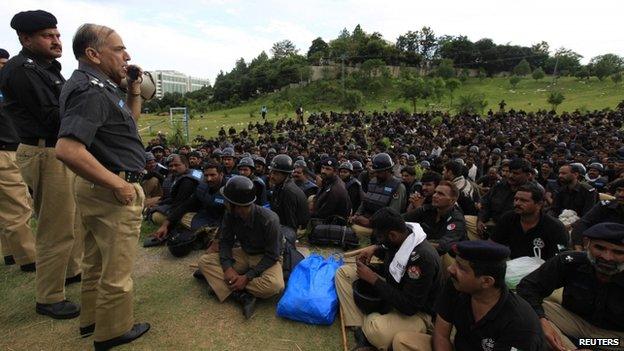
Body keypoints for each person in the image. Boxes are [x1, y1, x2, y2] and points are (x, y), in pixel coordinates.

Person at [55, 23, 150, 348]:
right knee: (117, 269)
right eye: (119, 49)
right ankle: (112, 331)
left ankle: (92, 321)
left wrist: (133, 89)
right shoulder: (91, 91)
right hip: (113, 191)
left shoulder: (96, 85)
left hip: (97, 191)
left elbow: (129, 124)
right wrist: (120, 186)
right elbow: (68, 149)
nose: (127, 56)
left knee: (95, 262)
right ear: (93, 54)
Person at [0, 10, 81, 318]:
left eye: (57, 35)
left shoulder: (46, 68)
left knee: (71, 220)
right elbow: (53, 116)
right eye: (48, 36)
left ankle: (70, 270)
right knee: (54, 227)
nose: (56, 41)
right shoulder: (23, 70)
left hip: (54, 150)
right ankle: (48, 296)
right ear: (25, 39)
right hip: (45, 150)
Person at [393, 240, 546, 351]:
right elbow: (441, 334)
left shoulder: (520, 325)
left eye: (461, 267)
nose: (451, 269)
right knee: (403, 341)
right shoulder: (456, 286)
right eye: (455, 263)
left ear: (486, 281)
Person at [335, 208, 443, 351]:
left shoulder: (422, 259)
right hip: (394, 293)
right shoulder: (402, 237)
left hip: (418, 313)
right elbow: (393, 265)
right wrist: (375, 251)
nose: (379, 242)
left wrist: (373, 279)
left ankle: (370, 326)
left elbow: (409, 306)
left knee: (378, 332)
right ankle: (360, 326)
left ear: (392, 235)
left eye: (380, 238)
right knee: (344, 273)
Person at [517, 223, 624, 351]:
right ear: (587, 244)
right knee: (525, 309)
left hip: (615, 337)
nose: (607, 257)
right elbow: (527, 287)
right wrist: (541, 320)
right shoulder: (570, 262)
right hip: (574, 322)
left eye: (618, 252)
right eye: (599, 248)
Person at [196, 176, 285, 319]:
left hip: (265, 257)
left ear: (235, 204)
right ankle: (242, 295)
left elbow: (273, 255)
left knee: (275, 285)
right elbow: (225, 241)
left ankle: (227, 285)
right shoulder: (230, 213)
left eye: (226, 200)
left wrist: (247, 277)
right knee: (204, 262)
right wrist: (228, 267)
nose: (224, 202)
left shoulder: (270, 219)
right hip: (244, 253)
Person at [0, 46, 36, 272]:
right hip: (5, 151)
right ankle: (29, 258)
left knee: (5, 207)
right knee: (18, 207)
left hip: (10, 148)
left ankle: (11, 252)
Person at [149, 161, 226, 247]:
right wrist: (165, 225)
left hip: (223, 223)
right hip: (204, 219)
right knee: (174, 219)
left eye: (212, 175)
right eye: (206, 175)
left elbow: (233, 217)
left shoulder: (230, 189)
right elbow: (186, 206)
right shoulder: (202, 187)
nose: (209, 179)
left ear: (221, 174)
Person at [491, 183, 568, 260]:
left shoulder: (554, 227)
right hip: (512, 266)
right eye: (516, 199)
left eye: (523, 201)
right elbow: (493, 245)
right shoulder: (508, 219)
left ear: (539, 205)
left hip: (543, 269)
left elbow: (559, 259)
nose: (517, 203)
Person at [403, 181, 467, 255]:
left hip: (449, 257)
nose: (435, 196)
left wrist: (412, 243)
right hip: (423, 250)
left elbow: (443, 246)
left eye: (440, 194)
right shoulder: (427, 209)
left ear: (452, 200)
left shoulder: (456, 220)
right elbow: (402, 220)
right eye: (435, 192)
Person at [352, 153, 407, 237]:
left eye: (379, 172)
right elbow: (365, 201)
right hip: (366, 222)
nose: (376, 174)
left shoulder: (398, 187)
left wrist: (370, 222)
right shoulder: (373, 181)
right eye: (376, 171)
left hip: (383, 230)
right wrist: (357, 215)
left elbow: (392, 214)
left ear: (388, 171)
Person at [478, 158, 533, 237]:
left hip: (514, 232)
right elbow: (486, 204)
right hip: (491, 223)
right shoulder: (499, 186)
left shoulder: (532, 192)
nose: (510, 176)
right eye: (510, 172)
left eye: (515, 173)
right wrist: (480, 220)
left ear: (527, 175)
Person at [148, 154, 202, 226]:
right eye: (171, 166)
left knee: (155, 215)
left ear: (186, 165)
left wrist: (159, 208)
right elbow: (175, 198)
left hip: (192, 212)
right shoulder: (186, 174)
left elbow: (179, 206)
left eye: (177, 165)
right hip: (184, 207)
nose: (173, 168)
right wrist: (160, 204)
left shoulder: (187, 181)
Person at [571, 178, 624, 250]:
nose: (621, 194)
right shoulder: (605, 205)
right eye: (619, 190)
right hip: (599, 244)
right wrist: (578, 245)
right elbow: (584, 222)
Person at [267, 154, 310, 231]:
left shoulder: (288, 191)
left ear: (286, 175)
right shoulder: (280, 185)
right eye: (272, 172)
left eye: (276, 173)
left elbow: (291, 223)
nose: (272, 176)